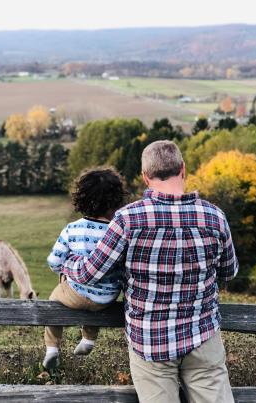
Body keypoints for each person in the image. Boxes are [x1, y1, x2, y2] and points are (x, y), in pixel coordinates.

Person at [60, 140, 238, 403]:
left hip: (149, 339)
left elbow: (89, 273)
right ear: (183, 169)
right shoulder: (213, 217)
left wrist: (67, 263)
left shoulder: (128, 219)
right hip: (203, 335)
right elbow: (229, 271)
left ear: (145, 176)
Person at [43, 167, 127, 370]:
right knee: (94, 294)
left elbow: (54, 261)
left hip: (75, 294)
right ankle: (88, 339)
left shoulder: (72, 229)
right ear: (115, 200)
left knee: (53, 301)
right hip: (106, 298)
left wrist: (63, 272)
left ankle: (52, 348)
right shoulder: (117, 230)